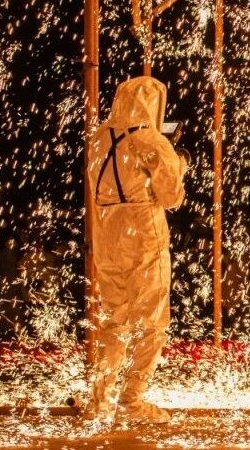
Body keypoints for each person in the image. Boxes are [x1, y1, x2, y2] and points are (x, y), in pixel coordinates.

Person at [83, 76, 188, 424]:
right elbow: (172, 197)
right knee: (153, 323)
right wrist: (180, 163)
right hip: (142, 232)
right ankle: (133, 402)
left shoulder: (99, 138)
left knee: (115, 322)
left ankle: (101, 401)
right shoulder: (151, 141)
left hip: (106, 235)